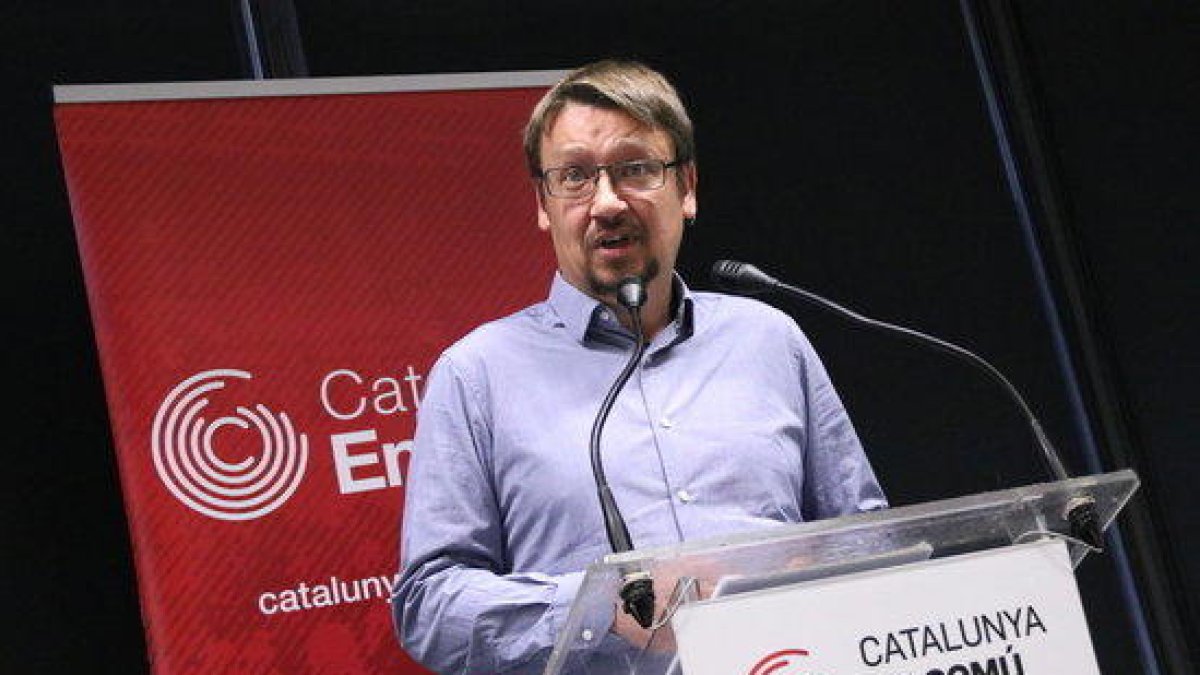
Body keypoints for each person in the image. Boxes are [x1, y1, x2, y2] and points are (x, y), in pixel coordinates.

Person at [392, 59, 886, 674]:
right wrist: (598, 605)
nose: (605, 202)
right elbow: (428, 605)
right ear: (543, 204)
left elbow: (867, 533)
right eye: (573, 176)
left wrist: (818, 566)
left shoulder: (768, 338)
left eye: (636, 170)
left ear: (688, 188)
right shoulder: (476, 375)